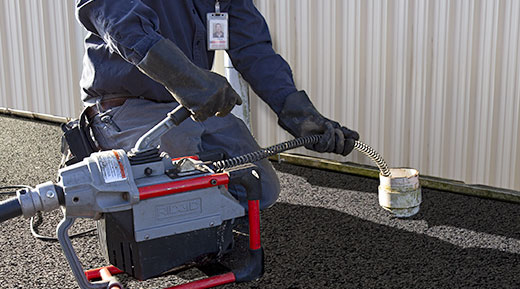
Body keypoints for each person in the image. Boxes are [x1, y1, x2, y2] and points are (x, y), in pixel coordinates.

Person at [75, 0, 359, 209]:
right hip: (129, 108)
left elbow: (252, 48)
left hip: (191, 110)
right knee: (188, 198)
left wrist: (298, 113)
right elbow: (122, 23)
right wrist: (191, 82)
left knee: (260, 188)